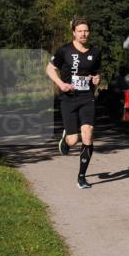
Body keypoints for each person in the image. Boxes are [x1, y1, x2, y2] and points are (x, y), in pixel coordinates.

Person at [46, 17, 101, 190]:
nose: (84, 34)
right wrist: (61, 84)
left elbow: (96, 74)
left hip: (87, 98)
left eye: (86, 31)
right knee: (73, 140)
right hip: (68, 98)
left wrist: (97, 79)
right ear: (74, 33)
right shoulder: (64, 51)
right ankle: (66, 138)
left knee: (88, 132)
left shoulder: (96, 52)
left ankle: (81, 176)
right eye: (80, 31)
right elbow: (49, 68)